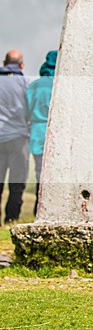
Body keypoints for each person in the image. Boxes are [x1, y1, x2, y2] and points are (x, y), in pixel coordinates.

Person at [0, 50, 30, 225]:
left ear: (4, 63)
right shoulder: (26, 83)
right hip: (19, 138)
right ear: (22, 65)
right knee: (17, 184)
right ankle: (12, 220)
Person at [26, 50, 58, 216]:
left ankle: (38, 208)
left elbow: (27, 108)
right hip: (56, 132)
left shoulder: (34, 85)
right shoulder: (61, 83)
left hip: (37, 131)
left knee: (40, 172)